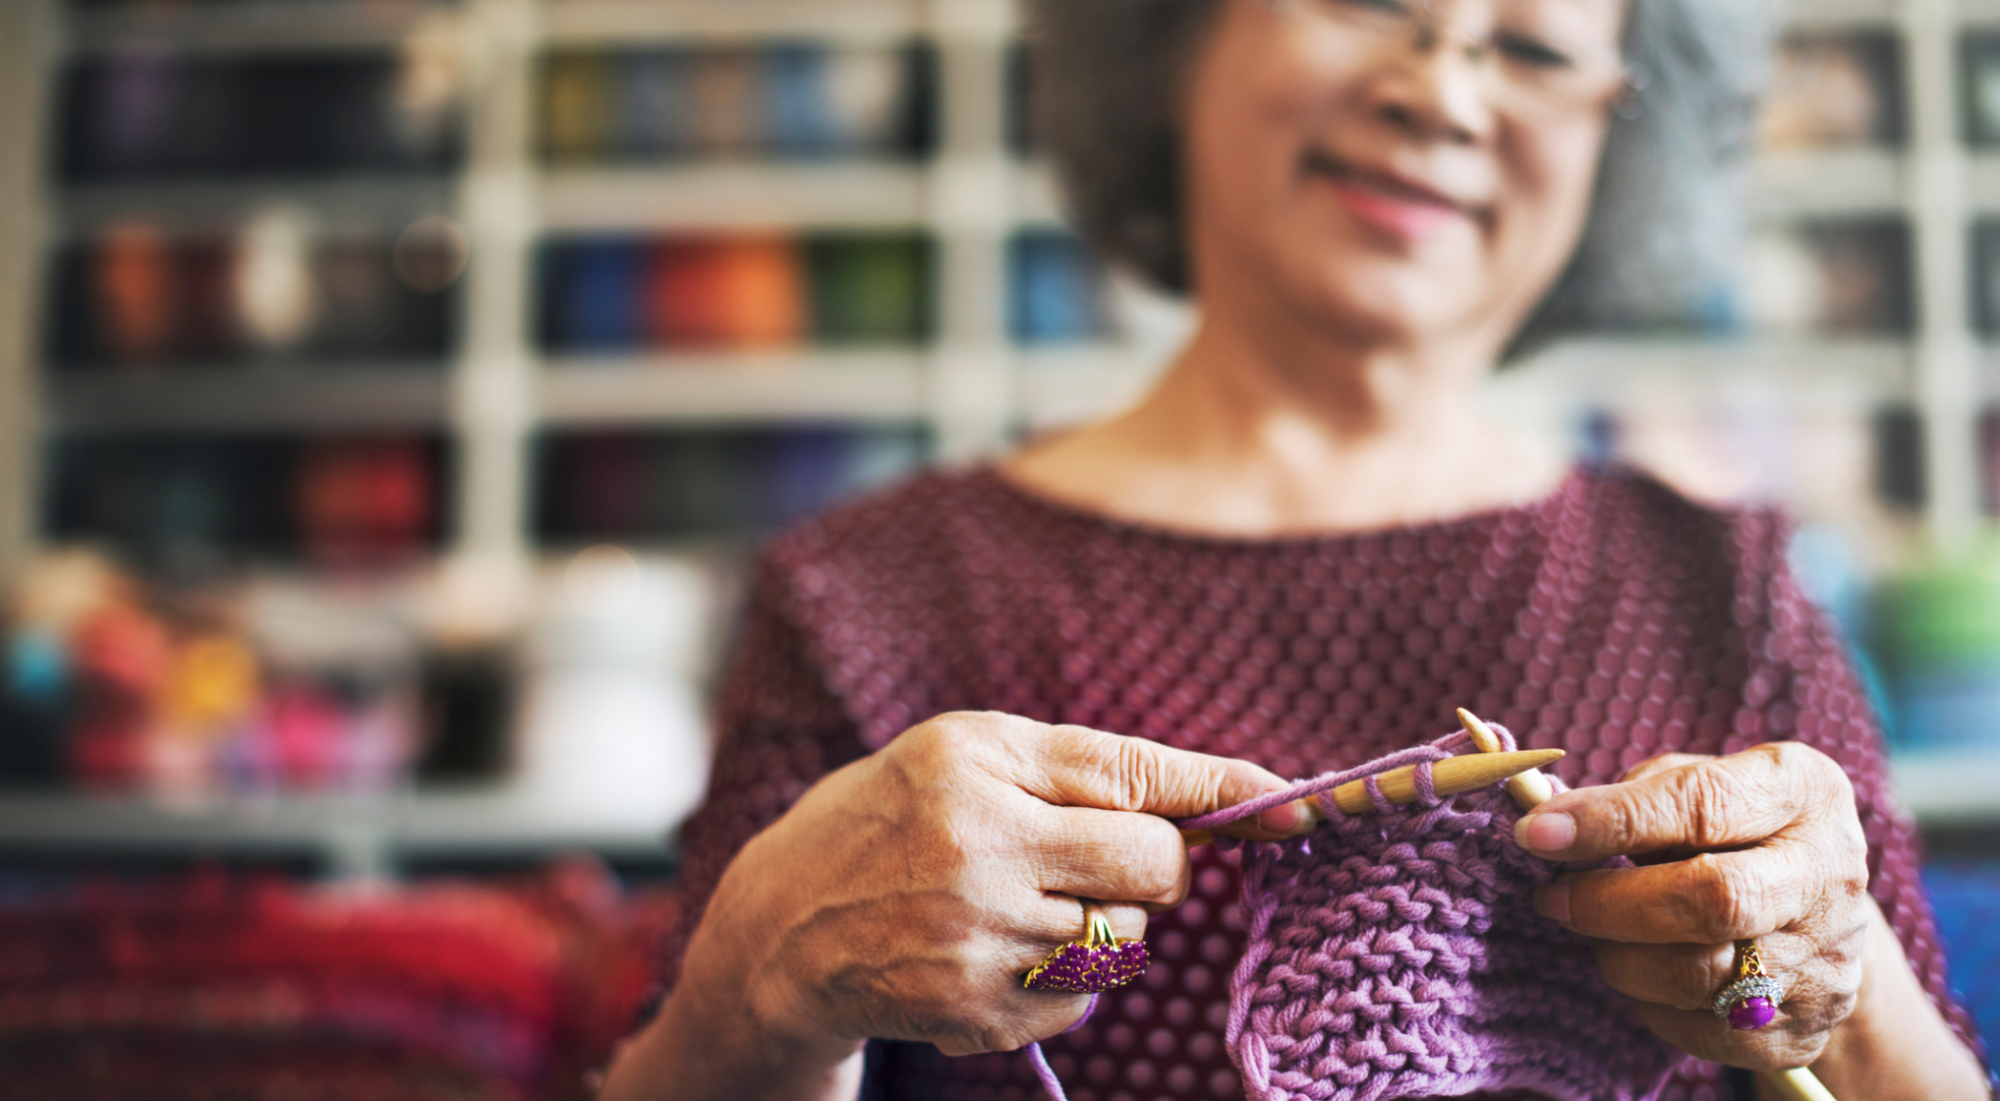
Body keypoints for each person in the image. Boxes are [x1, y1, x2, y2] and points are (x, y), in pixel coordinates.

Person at [602, 1, 1990, 1098]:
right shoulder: (869, 596)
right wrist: (763, 981)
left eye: (1533, 47)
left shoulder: (1724, 596)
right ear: (1177, 30)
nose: (1440, 91)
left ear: (1619, 138)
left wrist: (1834, 978)